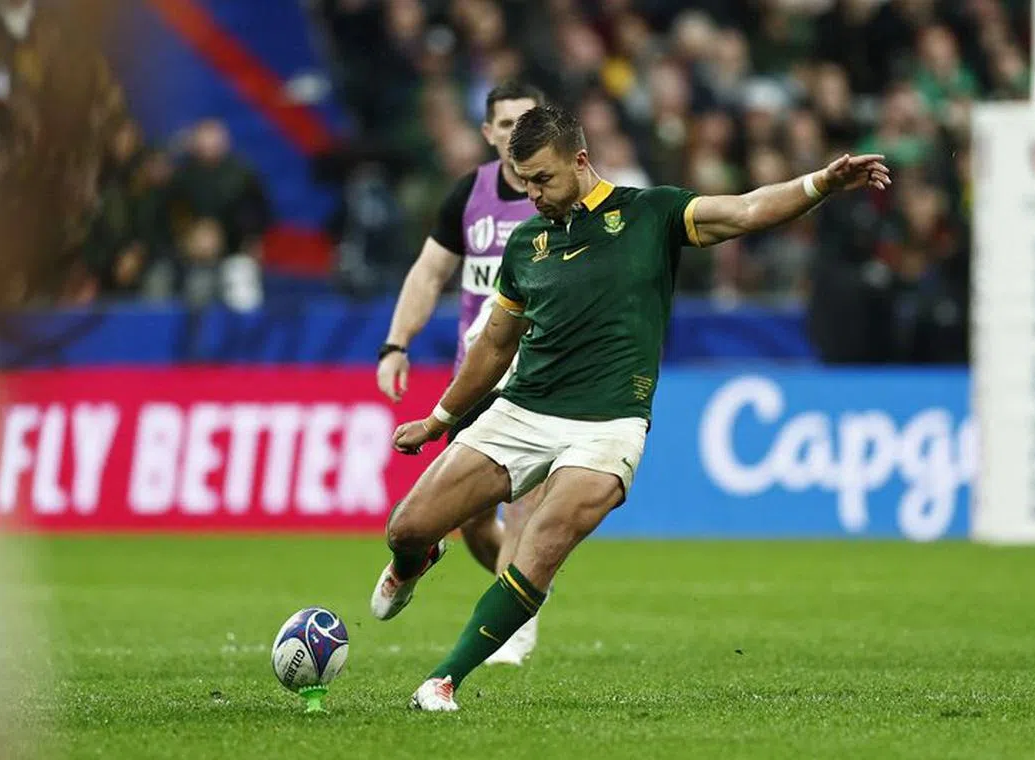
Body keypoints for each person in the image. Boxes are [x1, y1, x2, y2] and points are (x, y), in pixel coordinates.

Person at [373, 104, 891, 711]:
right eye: (523, 181)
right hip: (524, 411)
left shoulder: (651, 213)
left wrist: (821, 183)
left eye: (542, 179)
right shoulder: (526, 245)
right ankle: (415, 559)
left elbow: (747, 210)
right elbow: (494, 344)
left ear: (581, 161)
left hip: (609, 426)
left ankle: (444, 681)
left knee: (542, 543)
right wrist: (438, 420)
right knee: (405, 527)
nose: (532, 194)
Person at [374, 81, 547, 666]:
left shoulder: (563, 196)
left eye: (528, 122)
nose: (516, 134)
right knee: (474, 523)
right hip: (477, 377)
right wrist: (395, 345)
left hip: (542, 377)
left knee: (526, 507)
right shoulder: (469, 195)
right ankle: (524, 587)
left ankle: (511, 628)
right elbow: (428, 273)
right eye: (505, 124)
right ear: (489, 133)